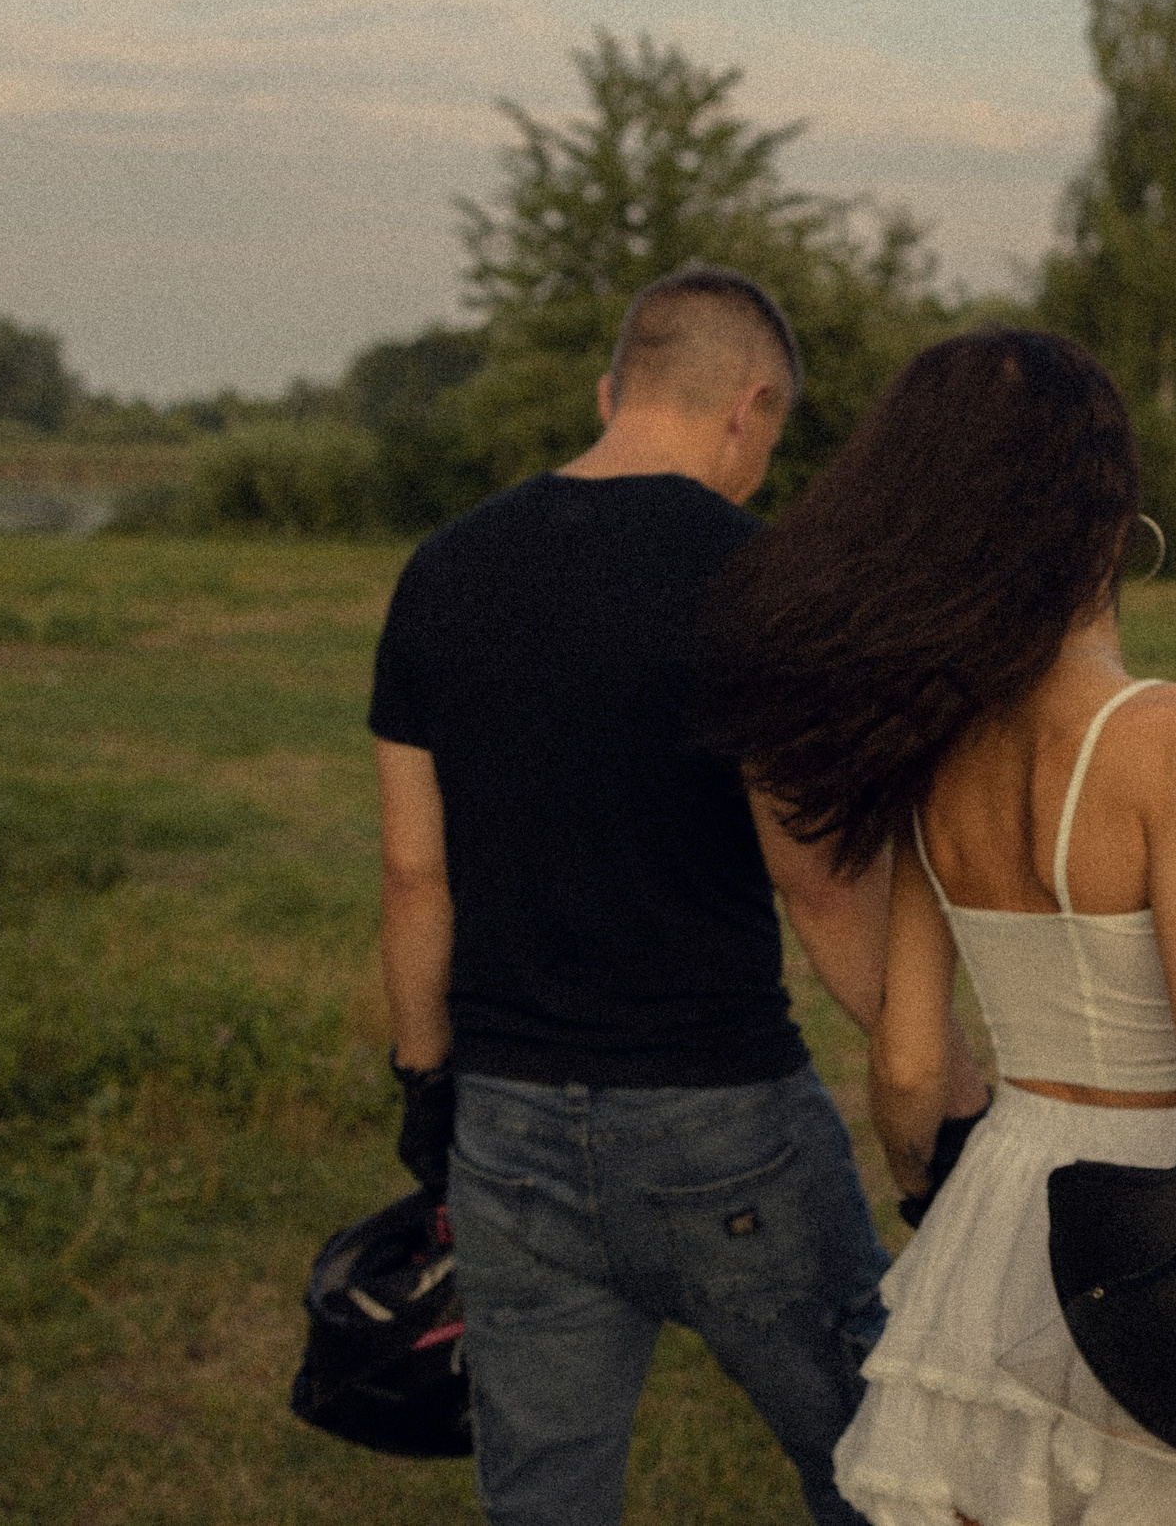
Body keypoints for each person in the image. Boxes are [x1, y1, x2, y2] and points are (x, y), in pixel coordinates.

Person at [702, 329, 1176, 1526]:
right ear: (1110, 516)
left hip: (1001, 1203)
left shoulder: (932, 742)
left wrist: (933, 1191)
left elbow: (903, 1059)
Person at [368, 266, 985, 1526]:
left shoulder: (440, 570)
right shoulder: (762, 583)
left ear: (612, 390)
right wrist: (953, 1096)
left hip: (507, 1125)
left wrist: (429, 1091)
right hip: (723, 1126)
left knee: (545, 1500)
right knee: (880, 1472)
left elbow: (413, 872)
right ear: (749, 406)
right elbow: (818, 883)